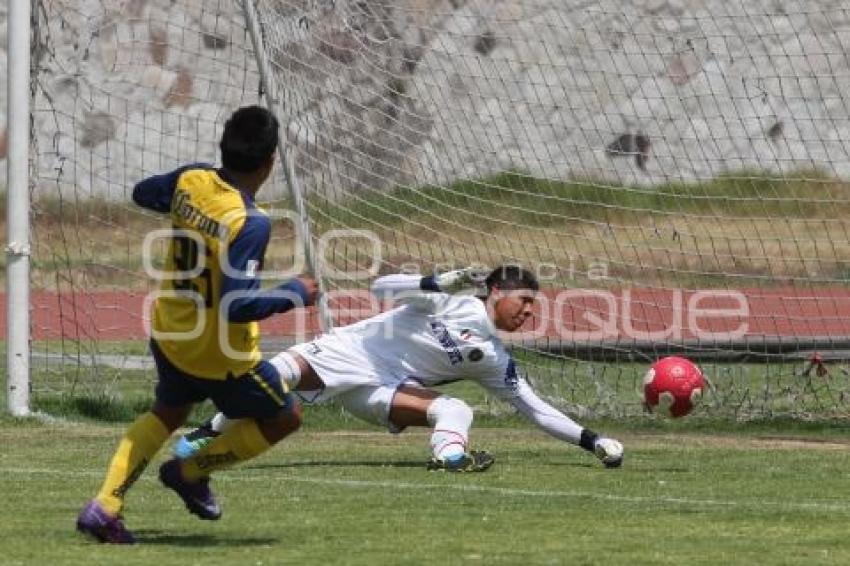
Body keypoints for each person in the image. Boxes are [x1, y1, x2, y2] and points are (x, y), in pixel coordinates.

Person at [76, 105, 319, 544]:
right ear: (269, 163)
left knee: (167, 413)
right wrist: (297, 293)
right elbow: (236, 305)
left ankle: (104, 507)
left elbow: (143, 193)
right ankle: (188, 472)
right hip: (222, 356)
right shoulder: (250, 222)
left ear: (223, 148)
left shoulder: (192, 179)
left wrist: (186, 206)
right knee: (286, 417)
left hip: (172, 334)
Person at [175, 265, 624, 472]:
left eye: (533, 305)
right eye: (524, 301)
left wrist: (593, 441)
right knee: (279, 374)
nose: (529, 312)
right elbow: (381, 287)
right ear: (495, 292)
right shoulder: (450, 299)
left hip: (382, 392)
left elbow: (535, 408)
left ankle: (450, 459)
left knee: (457, 411)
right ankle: (207, 433)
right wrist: (431, 282)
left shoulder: (491, 357)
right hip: (348, 352)